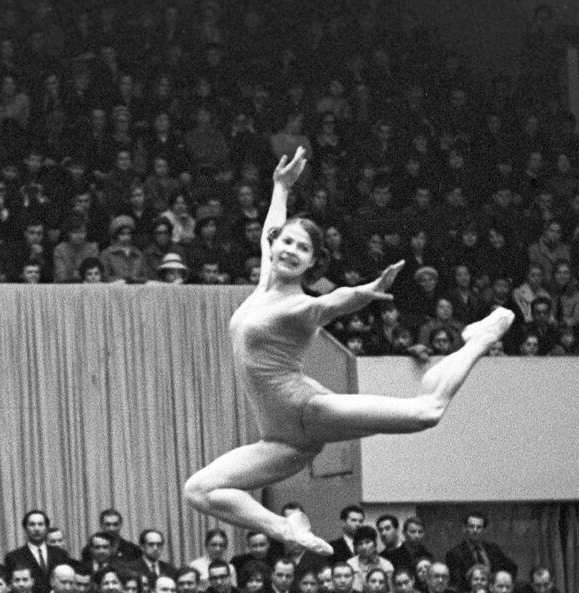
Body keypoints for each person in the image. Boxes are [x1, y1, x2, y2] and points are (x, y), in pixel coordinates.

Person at [184, 147, 513, 555]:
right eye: (286, 242)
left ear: (311, 264)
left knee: (426, 412)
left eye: (302, 249)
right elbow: (273, 226)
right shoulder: (266, 280)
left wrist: (367, 292)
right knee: (199, 491)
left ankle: (481, 337)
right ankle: (286, 530)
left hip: (308, 411)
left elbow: (331, 303)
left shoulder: (299, 306)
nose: (289, 250)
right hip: (282, 443)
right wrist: (280, 187)